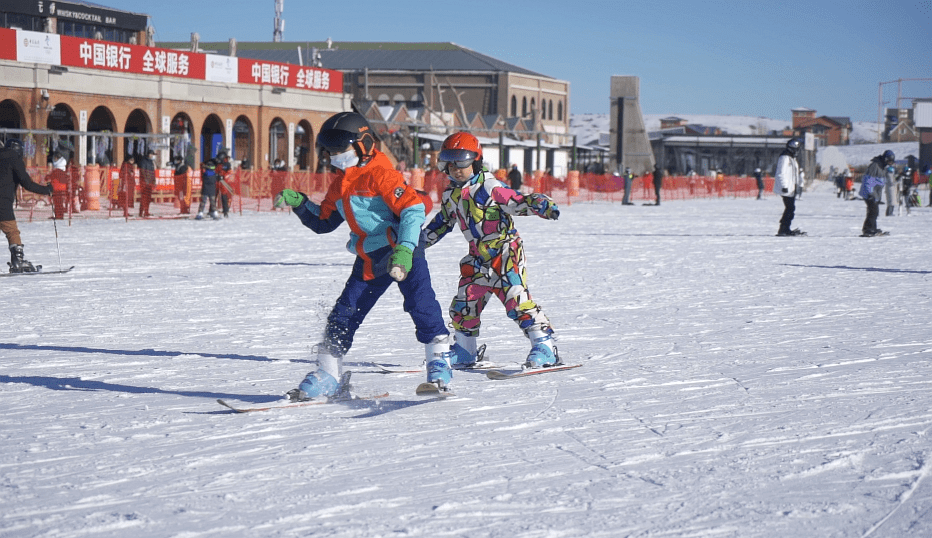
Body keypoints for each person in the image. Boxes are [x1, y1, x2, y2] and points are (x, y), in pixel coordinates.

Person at [274, 112, 452, 399]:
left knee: (420, 303)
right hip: (370, 255)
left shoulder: (381, 174)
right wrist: (301, 204)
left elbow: (412, 209)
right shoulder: (341, 183)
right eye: (329, 151)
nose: (334, 156)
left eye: (339, 150)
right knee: (345, 312)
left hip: (402, 248)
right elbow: (324, 221)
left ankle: (439, 363)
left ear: (363, 144)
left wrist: (406, 250)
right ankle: (328, 373)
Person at [423, 131, 561, 370]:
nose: (456, 169)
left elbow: (515, 201)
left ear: (475, 161)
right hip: (477, 255)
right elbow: (442, 223)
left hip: (505, 250)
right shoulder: (451, 194)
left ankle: (544, 346)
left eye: (462, 162)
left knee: (515, 298)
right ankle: (466, 350)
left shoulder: (489, 186)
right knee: (465, 301)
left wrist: (540, 204)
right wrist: (415, 243)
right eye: (450, 163)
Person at [1, 139, 53, 273]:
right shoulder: (14, 159)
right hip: (3, 202)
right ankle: (18, 261)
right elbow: (27, 184)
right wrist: (46, 190)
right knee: (12, 231)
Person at [773, 138, 805, 236]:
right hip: (786, 189)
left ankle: (785, 228)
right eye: (797, 149)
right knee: (790, 208)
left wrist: (799, 185)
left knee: (790, 208)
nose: (798, 151)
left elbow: (795, 175)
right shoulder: (784, 158)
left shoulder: (792, 159)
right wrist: (784, 186)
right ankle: (783, 228)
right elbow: (780, 173)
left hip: (791, 189)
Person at [859, 150, 894, 237]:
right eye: (889, 161)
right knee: (873, 211)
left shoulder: (882, 166)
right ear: (885, 159)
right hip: (868, 193)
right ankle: (868, 229)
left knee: (874, 211)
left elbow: (879, 182)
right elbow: (868, 180)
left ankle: (872, 228)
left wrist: (877, 197)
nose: (890, 163)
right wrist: (871, 194)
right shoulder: (875, 165)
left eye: (891, 161)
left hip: (874, 194)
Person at [137, 148, 156, 217]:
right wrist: (146, 179)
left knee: (148, 198)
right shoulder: (144, 161)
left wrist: (154, 181)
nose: (152, 156)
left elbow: (153, 172)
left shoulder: (151, 162)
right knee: (144, 198)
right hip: (144, 182)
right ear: (148, 154)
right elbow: (142, 171)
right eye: (151, 154)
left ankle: (146, 211)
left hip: (150, 182)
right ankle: (142, 211)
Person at [215, 150, 233, 217]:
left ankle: (225, 211)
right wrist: (216, 175)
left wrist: (223, 177)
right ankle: (212, 210)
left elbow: (230, 173)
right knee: (214, 196)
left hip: (224, 182)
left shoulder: (227, 164)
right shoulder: (217, 164)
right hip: (217, 181)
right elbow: (215, 171)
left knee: (224, 196)